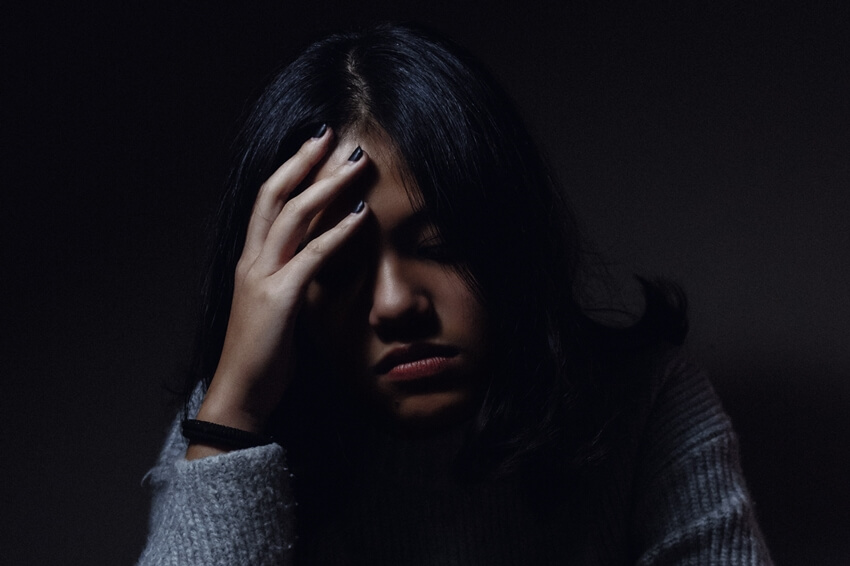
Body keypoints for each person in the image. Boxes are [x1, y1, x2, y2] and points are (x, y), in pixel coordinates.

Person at [138, 23, 772, 565]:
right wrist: (233, 415)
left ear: (513, 236)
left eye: (441, 245)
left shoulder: (644, 401)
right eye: (334, 265)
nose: (396, 304)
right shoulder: (232, 423)